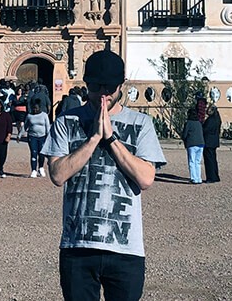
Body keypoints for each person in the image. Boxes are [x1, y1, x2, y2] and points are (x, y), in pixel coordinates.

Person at [43, 50, 165, 301]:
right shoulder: (66, 121)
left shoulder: (141, 123)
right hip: (77, 246)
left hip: (126, 249)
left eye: (109, 88)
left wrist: (111, 138)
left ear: (121, 85)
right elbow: (57, 174)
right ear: (86, 84)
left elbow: (145, 179)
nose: (102, 94)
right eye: (95, 87)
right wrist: (94, 138)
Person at [24, 101, 50, 178]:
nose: (35, 110)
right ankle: (33, 170)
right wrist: (19, 135)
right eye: (33, 108)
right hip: (32, 136)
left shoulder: (44, 115)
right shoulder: (29, 116)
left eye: (36, 108)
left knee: (41, 153)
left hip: (42, 136)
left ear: (40, 108)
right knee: (33, 152)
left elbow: (47, 126)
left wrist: (48, 136)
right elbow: (25, 126)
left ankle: (41, 167)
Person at [182, 102, 205, 184]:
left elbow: (184, 134)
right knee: (198, 162)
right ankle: (198, 178)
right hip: (201, 143)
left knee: (192, 161)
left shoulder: (188, 123)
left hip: (192, 144)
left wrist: (184, 139)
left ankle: (193, 178)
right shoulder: (199, 123)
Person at [202, 100, 222, 183]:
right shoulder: (217, 119)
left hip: (208, 142)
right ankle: (215, 176)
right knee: (213, 160)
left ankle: (211, 177)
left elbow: (205, 130)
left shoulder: (210, 120)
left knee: (209, 161)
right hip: (214, 142)